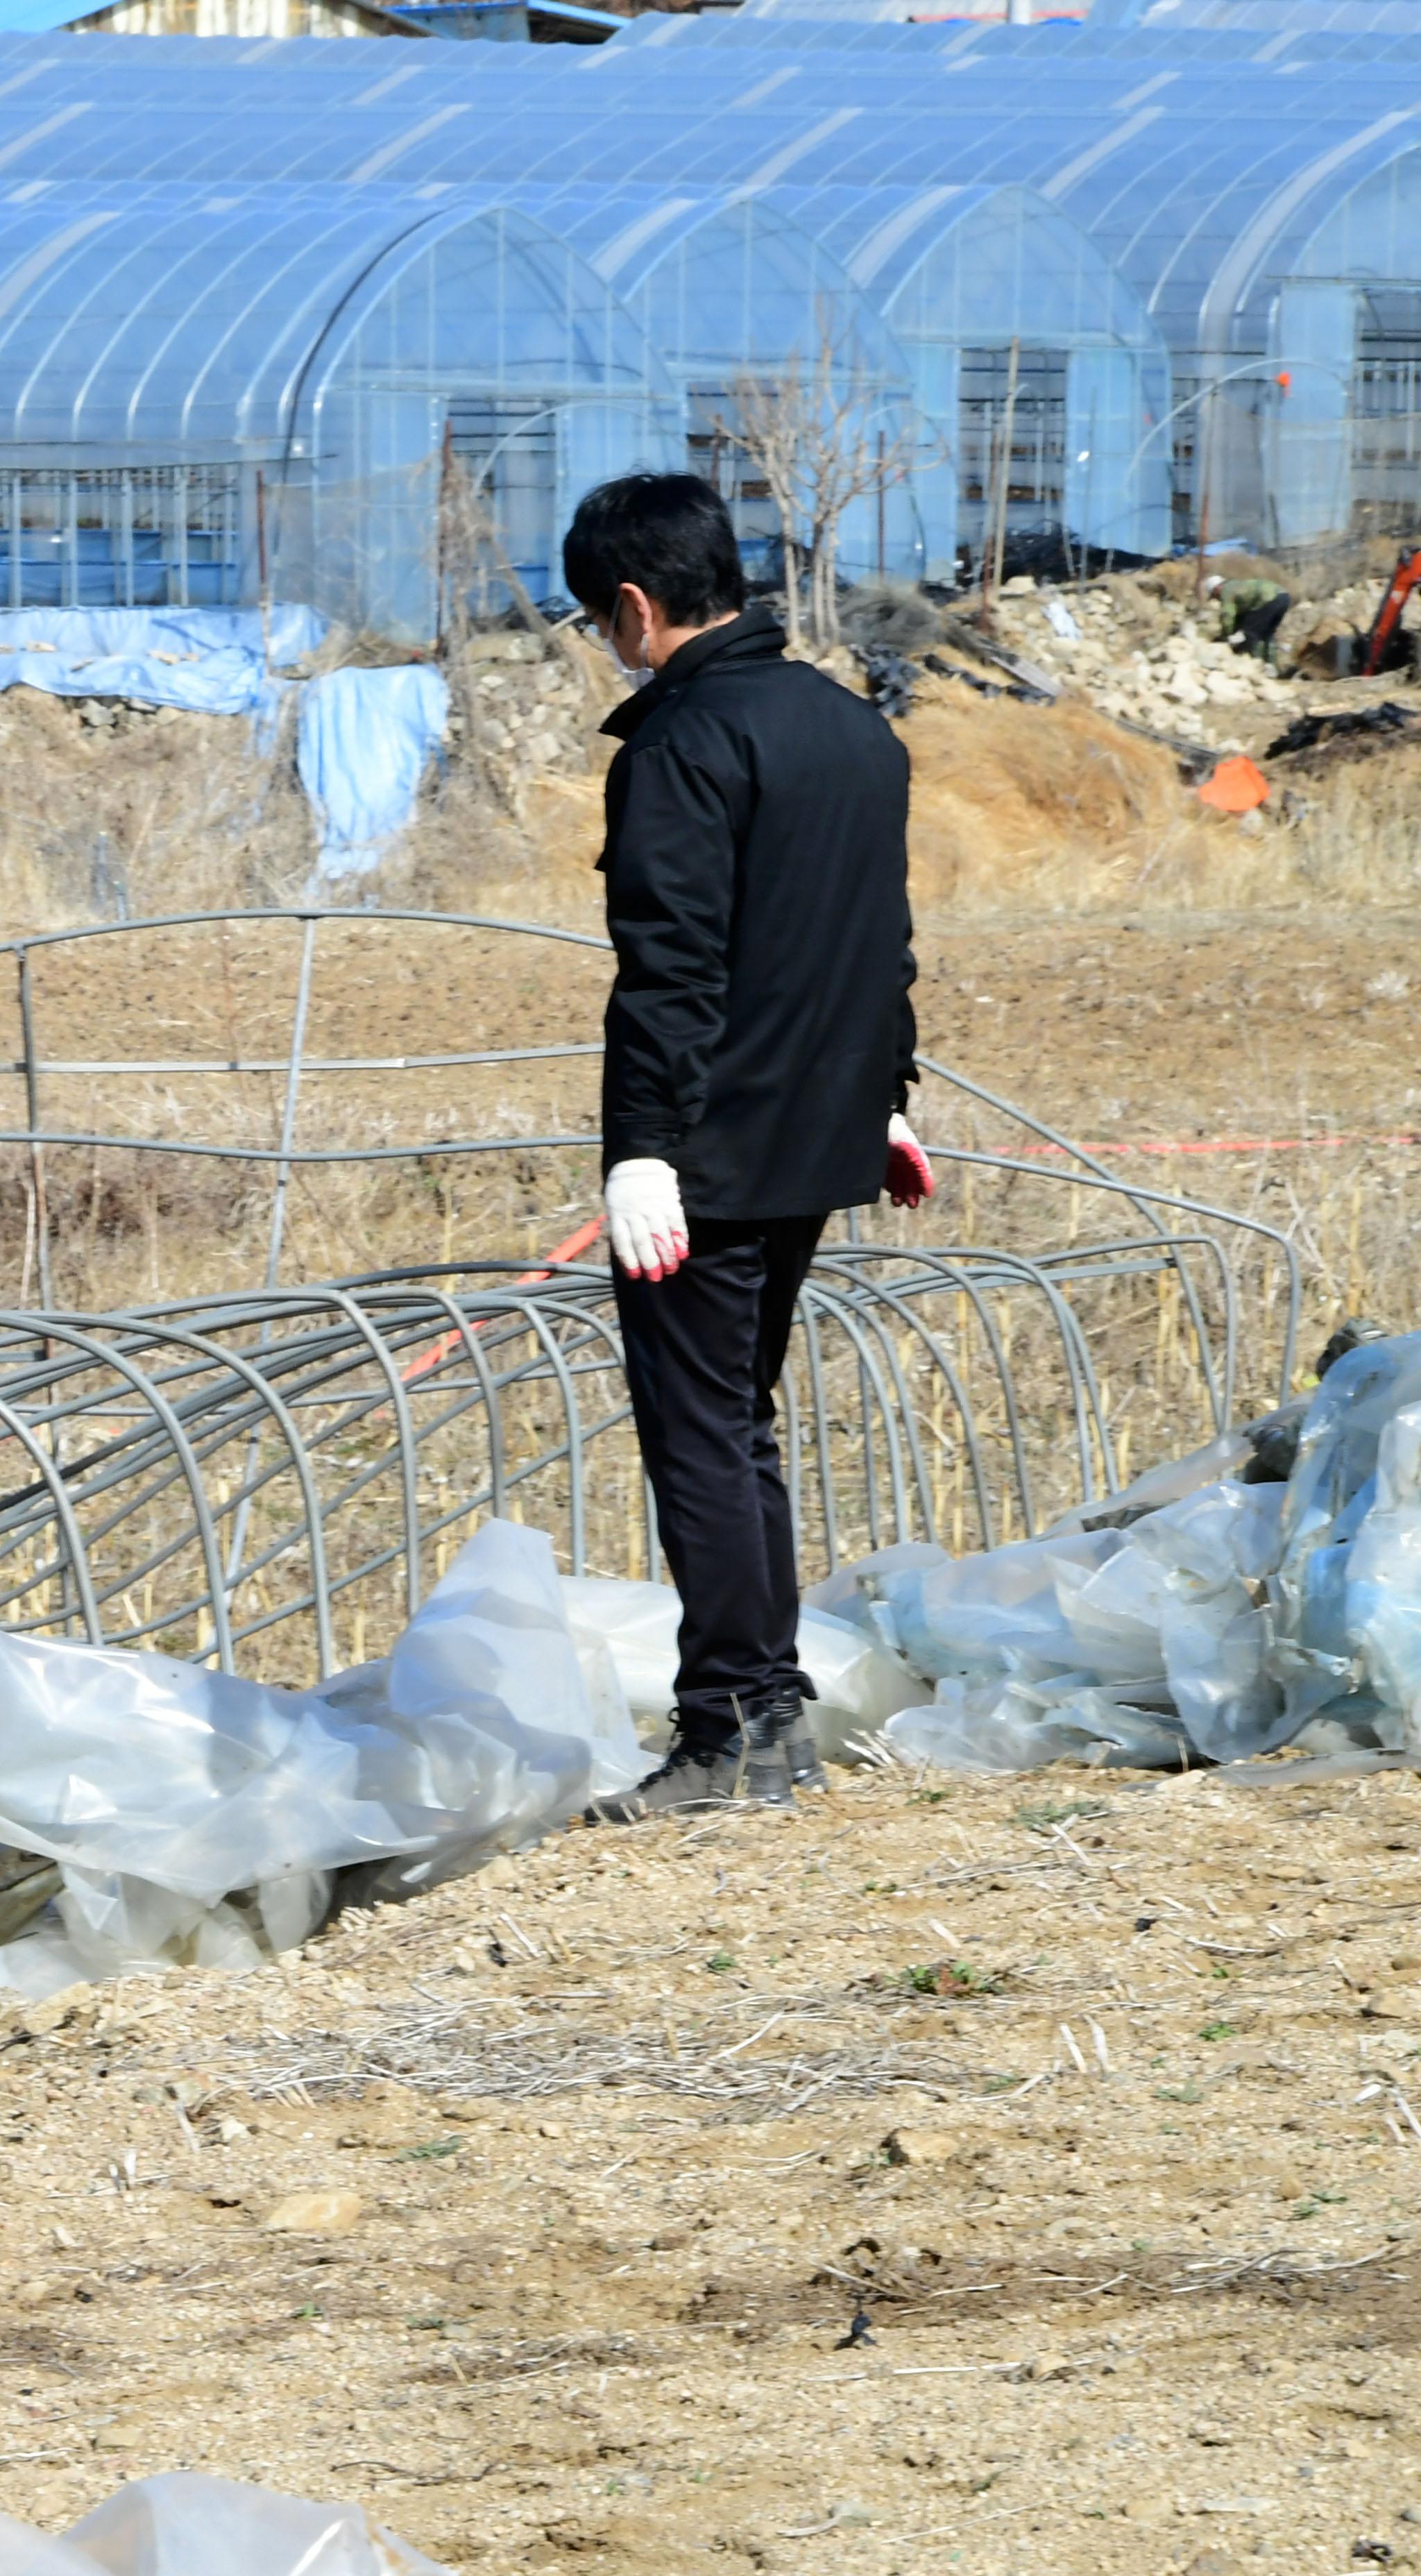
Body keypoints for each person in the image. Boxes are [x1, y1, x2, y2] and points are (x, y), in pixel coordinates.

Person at [565, 473, 926, 1822]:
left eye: (601, 620)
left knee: (701, 1442)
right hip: (818, 1139)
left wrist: (641, 1152)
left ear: (640, 606)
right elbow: (873, 941)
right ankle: (765, 1711)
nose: (609, 643)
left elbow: (668, 968)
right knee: (743, 1426)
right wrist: (884, 1099)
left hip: (708, 1159)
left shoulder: (681, 744)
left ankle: (728, 1731)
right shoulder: (852, 729)